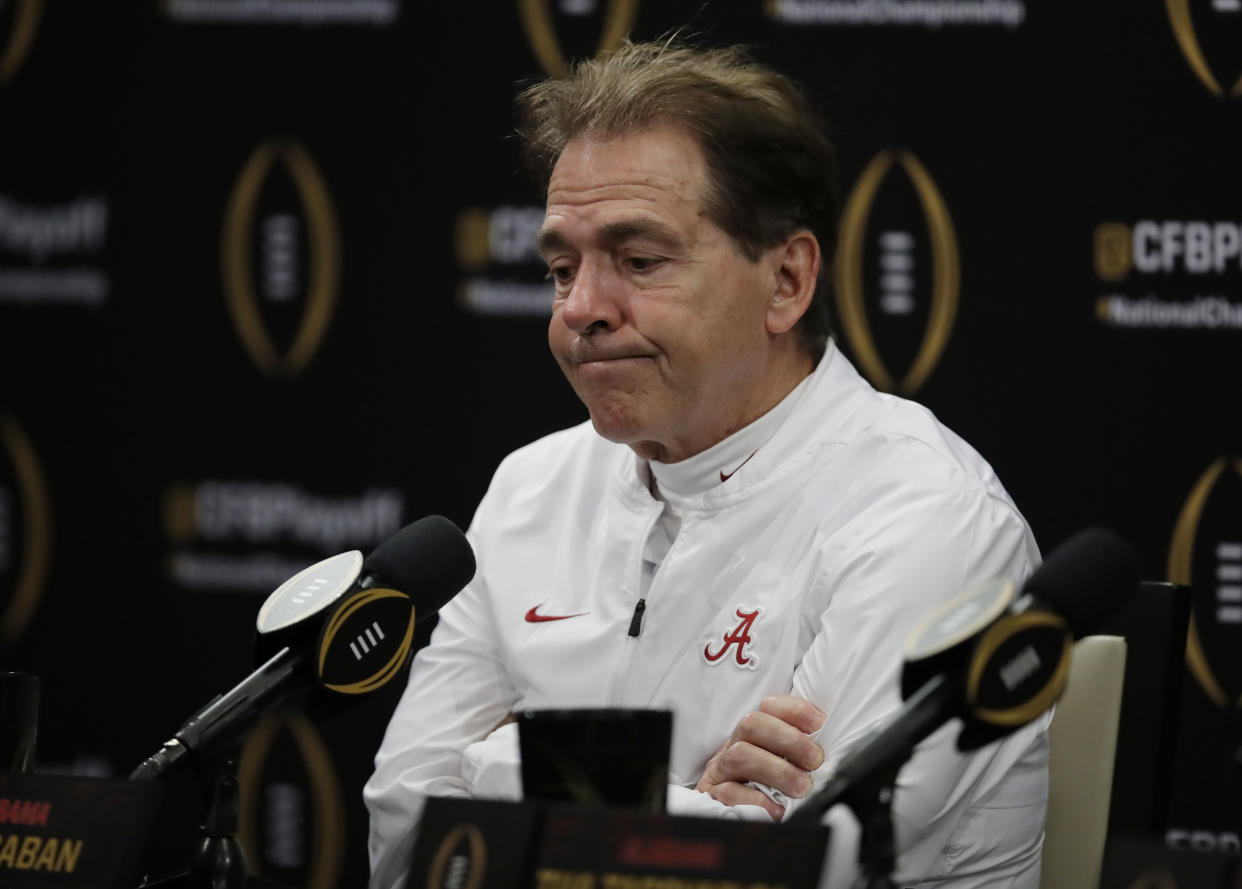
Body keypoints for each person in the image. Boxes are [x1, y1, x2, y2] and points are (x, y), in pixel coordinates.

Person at [365, 40, 1047, 889]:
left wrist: (501, 770)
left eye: (640, 261)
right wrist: (696, 806)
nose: (580, 310)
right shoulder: (531, 486)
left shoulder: (925, 513)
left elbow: (813, 868)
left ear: (787, 279)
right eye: (560, 268)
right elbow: (404, 833)